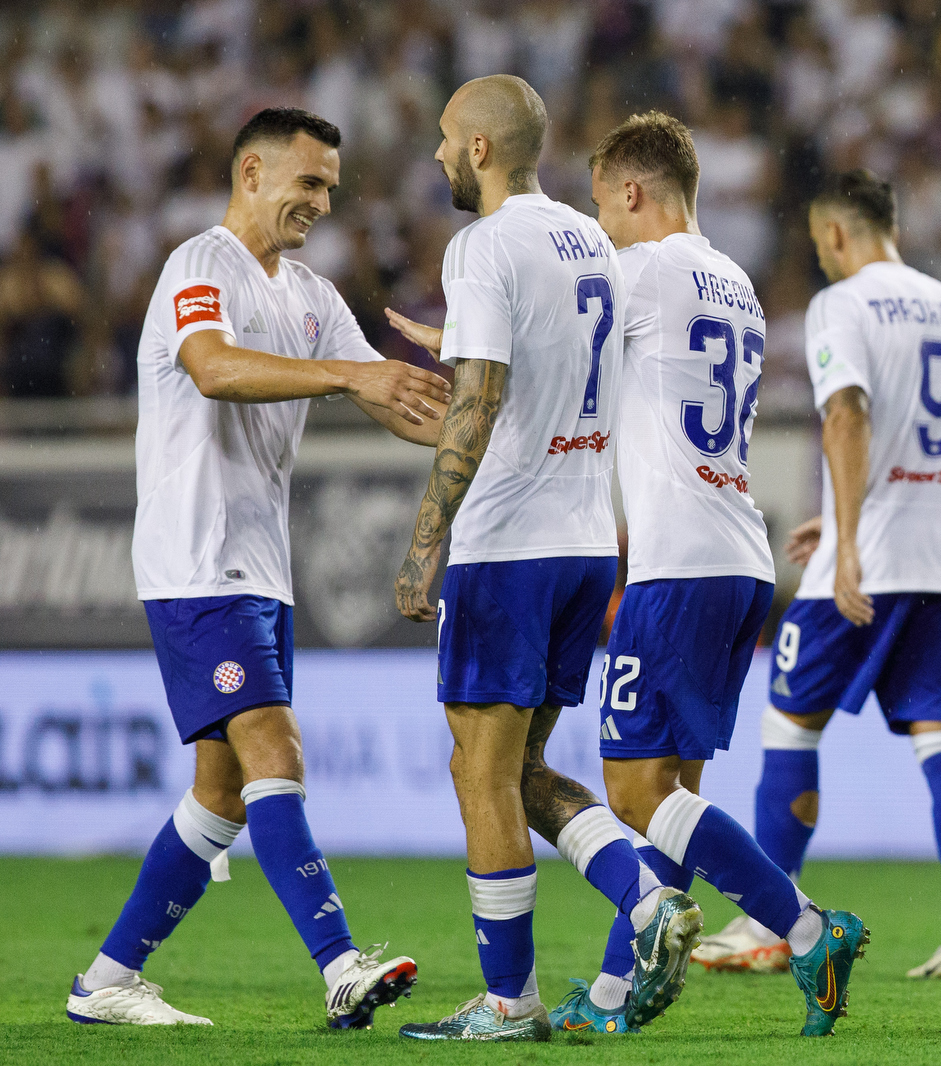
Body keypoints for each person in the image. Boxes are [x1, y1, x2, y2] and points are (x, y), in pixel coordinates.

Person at [68, 107, 449, 1029]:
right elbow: (211, 367)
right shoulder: (199, 265)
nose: (320, 201)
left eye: (330, 188)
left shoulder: (312, 294)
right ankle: (338, 963)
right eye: (307, 182)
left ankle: (106, 981)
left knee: (222, 791)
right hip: (196, 560)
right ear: (250, 172)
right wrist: (352, 379)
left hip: (258, 569)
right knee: (274, 747)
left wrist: (487, 406)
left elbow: (393, 397)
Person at [387, 77, 698, 1044]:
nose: (438, 155)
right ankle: (647, 899)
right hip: (584, 548)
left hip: (509, 545)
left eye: (446, 139)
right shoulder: (587, 239)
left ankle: (509, 1003)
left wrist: (426, 540)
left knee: (478, 775)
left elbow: (477, 391)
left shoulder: (481, 245)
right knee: (521, 769)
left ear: (480, 149)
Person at [544, 111, 867, 1039]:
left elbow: (559, 338)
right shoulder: (737, 283)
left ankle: (809, 927)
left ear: (634, 193)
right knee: (672, 796)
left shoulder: (639, 270)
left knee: (633, 795)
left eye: (602, 203)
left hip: (675, 562)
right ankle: (618, 991)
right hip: (738, 557)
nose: (598, 223)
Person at [692, 169, 941, 981]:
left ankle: (770, 918)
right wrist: (847, 516)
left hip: (876, 554)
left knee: (791, 726)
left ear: (833, 235)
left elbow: (848, 413)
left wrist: (851, 541)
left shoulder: (841, 304)